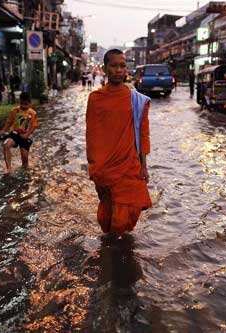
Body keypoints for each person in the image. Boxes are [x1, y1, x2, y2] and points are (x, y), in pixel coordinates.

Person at [86, 49, 152, 237]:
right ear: (105, 69)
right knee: (110, 211)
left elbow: (143, 133)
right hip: (104, 165)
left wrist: (144, 166)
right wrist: (93, 165)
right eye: (114, 66)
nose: (119, 70)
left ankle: (115, 244)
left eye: (122, 66)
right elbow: (92, 133)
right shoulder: (96, 99)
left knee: (129, 211)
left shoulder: (137, 100)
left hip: (129, 164)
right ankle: (112, 247)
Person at [0, 92, 38, 173]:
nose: (23, 106)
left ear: (30, 102)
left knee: (25, 162)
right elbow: (9, 122)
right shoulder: (15, 110)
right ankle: (9, 169)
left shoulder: (32, 113)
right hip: (14, 134)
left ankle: (24, 174)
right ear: (19, 101)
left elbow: (34, 126)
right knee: (6, 145)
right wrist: (2, 131)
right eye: (21, 103)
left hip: (25, 136)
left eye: (26, 104)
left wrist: (27, 134)